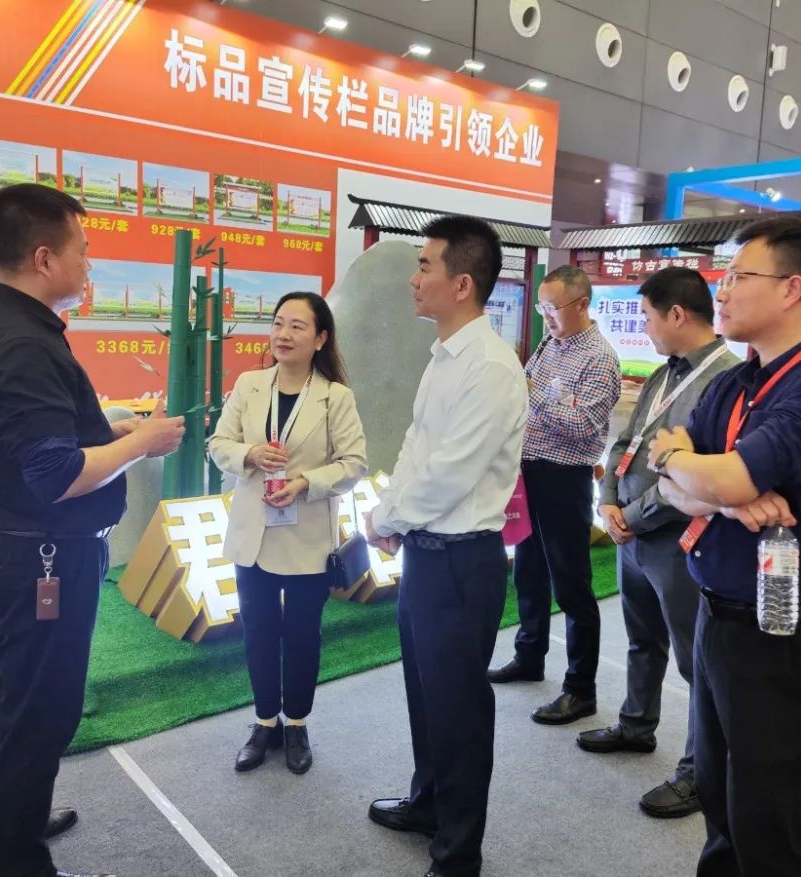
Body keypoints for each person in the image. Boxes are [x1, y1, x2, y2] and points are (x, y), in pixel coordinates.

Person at [0, 183, 185, 877]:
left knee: (15, 696)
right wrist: (140, 442)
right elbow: (56, 475)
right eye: (83, 249)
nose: (90, 262)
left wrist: (106, 429)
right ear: (44, 257)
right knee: (41, 714)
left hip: (17, 550)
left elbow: (34, 443)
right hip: (43, 560)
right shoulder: (22, 344)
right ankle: (19, 857)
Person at [649, 217, 801, 876]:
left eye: (736, 277)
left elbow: (713, 473)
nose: (720, 292)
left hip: (794, 637)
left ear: (792, 288)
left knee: (772, 836)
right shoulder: (732, 383)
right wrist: (715, 487)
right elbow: (668, 486)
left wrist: (694, 466)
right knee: (722, 813)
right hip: (720, 619)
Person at [364, 216, 527, 877]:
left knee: (458, 709)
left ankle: (458, 852)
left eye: (425, 265)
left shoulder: (489, 367)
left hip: (463, 559)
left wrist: (388, 517)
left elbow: (450, 473)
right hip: (427, 554)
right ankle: (428, 802)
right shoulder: (445, 354)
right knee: (426, 692)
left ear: (462, 283)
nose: (414, 278)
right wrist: (390, 516)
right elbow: (416, 448)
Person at [577, 268, 738, 818]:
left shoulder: (725, 381)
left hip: (680, 541)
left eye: (647, 317)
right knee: (642, 639)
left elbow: (699, 475)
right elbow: (626, 438)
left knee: (698, 664)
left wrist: (632, 516)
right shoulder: (663, 373)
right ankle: (636, 724)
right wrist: (607, 499)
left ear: (677, 314)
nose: (643, 328)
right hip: (632, 535)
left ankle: (699, 774)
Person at [209, 291, 367, 775]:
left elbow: (354, 463)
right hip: (253, 537)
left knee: (301, 637)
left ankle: (296, 723)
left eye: (297, 326)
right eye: (278, 323)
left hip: (307, 539)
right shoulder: (250, 384)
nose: (283, 334)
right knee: (258, 633)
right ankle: (264, 723)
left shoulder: (335, 397)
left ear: (320, 339)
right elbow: (219, 443)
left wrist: (304, 483)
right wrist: (249, 454)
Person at [488, 266, 621, 727]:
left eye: (553, 307)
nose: (545, 316)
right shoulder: (549, 344)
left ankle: (580, 689)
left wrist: (536, 393)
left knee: (571, 584)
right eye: (542, 307)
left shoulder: (599, 358)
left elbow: (583, 425)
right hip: (530, 472)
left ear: (581, 305)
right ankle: (530, 655)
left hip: (566, 477)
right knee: (528, 571)